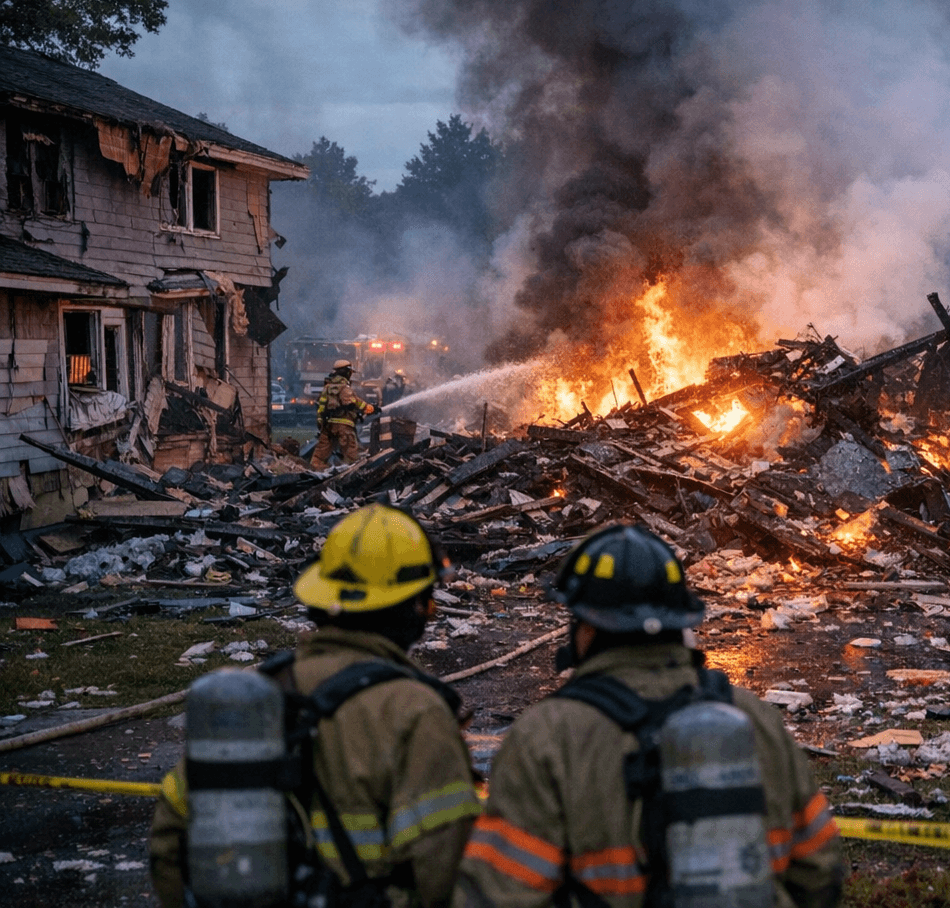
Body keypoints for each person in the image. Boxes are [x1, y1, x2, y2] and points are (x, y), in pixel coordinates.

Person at [457, 525, 844, 908]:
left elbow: (497, 892)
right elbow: (819, 869)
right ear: (680, 621)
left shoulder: (549, 736)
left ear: (587, 626)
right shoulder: (754, 718)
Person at [149, 505, 481, 908]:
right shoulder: (415, 712)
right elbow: (443, 873)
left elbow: (170, 842)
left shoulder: (255, 697)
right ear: (414, 608)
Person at [313, 358, 376, 468]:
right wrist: (369, 408)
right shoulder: (345, 388)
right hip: (344, 427)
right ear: (346, 372)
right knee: (352, 458)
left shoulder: (327, 387)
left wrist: (320, 421)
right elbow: (353, 403)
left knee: (319, 457)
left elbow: (321, 406)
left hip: (328, 426)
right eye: (350, 372)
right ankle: (351, 477)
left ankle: (318, 474)